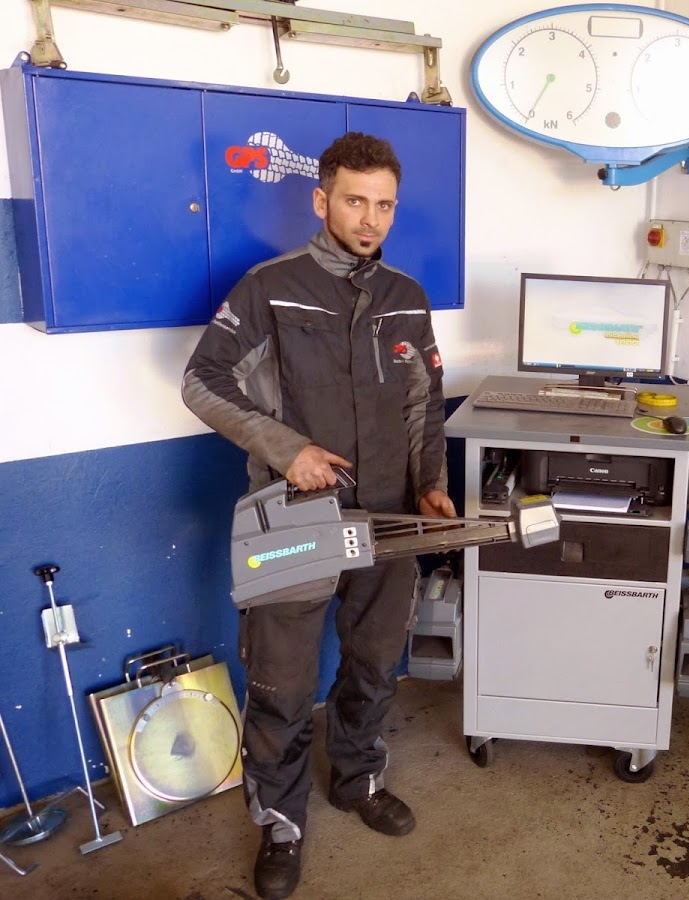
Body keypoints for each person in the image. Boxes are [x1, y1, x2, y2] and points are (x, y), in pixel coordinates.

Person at [182, 131, 456, 900]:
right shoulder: (270, 289)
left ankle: (358, 778)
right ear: (320, 200)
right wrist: (288, 448)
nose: (370, 219)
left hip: (389, 520)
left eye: (384, 205)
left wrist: (430, 487)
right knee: (282, 680)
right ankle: (280, 821)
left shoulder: (406, 297)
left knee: (374, 661)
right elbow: (202, 380)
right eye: (355, 201)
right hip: (295, 518)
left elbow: (424, 404)